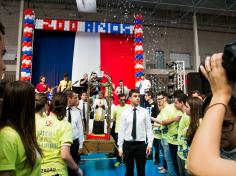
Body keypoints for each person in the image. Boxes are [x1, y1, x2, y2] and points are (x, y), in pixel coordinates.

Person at [187, 53, 236, 175]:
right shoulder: (213, 148)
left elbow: (198, 164)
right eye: (213, 122)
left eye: (225, 125)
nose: (217, 132)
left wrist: (221, 94)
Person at [0, 81, 42, 175]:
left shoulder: (23, 131)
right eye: (33, 100)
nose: (35, 104)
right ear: (24, 104)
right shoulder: (8, 136)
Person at [36, 93, 82, 175]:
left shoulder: (39, 122)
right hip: (57, 171)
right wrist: (77, 169)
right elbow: (65, 155)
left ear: (50, 104)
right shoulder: (65, 125)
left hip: (39, 170)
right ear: (64, 106)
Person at [118, 89, 154, 176]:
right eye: (135, 96)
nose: (138, 98)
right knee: (129, 171)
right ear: (130, 98)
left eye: (138, 96)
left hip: (141, 145)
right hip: (128, 145)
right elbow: (121, 130)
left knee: (141, 171)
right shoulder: (125, 112)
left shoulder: (144, 112)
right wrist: (120, 146)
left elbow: (149, 129)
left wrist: (149, 144)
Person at [177, 97, 203, 176]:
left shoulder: (200, 123)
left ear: (194, 109)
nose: (185, 108)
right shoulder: (193, 121)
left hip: (194, 160)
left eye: (187, 107)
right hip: (185, 155)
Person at [66, 91, 84, 176]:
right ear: (69, 99)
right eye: (75, 98)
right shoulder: (61, 111)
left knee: (74, 166)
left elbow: (80, 128)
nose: (78, 99)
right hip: (64, 143)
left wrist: (81, 145)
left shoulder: (78, 111)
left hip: (75, 143)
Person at [112, 94, 129, 167]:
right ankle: (118, 161)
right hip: (118, 131)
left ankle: (125, 161)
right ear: (118, 100)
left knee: (126, 146)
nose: (123, 101)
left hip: (127, 130)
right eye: (121, 100)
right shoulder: (115, 108)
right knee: (118, 147)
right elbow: (114, 119)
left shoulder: (129, 107)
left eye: (124, 99)